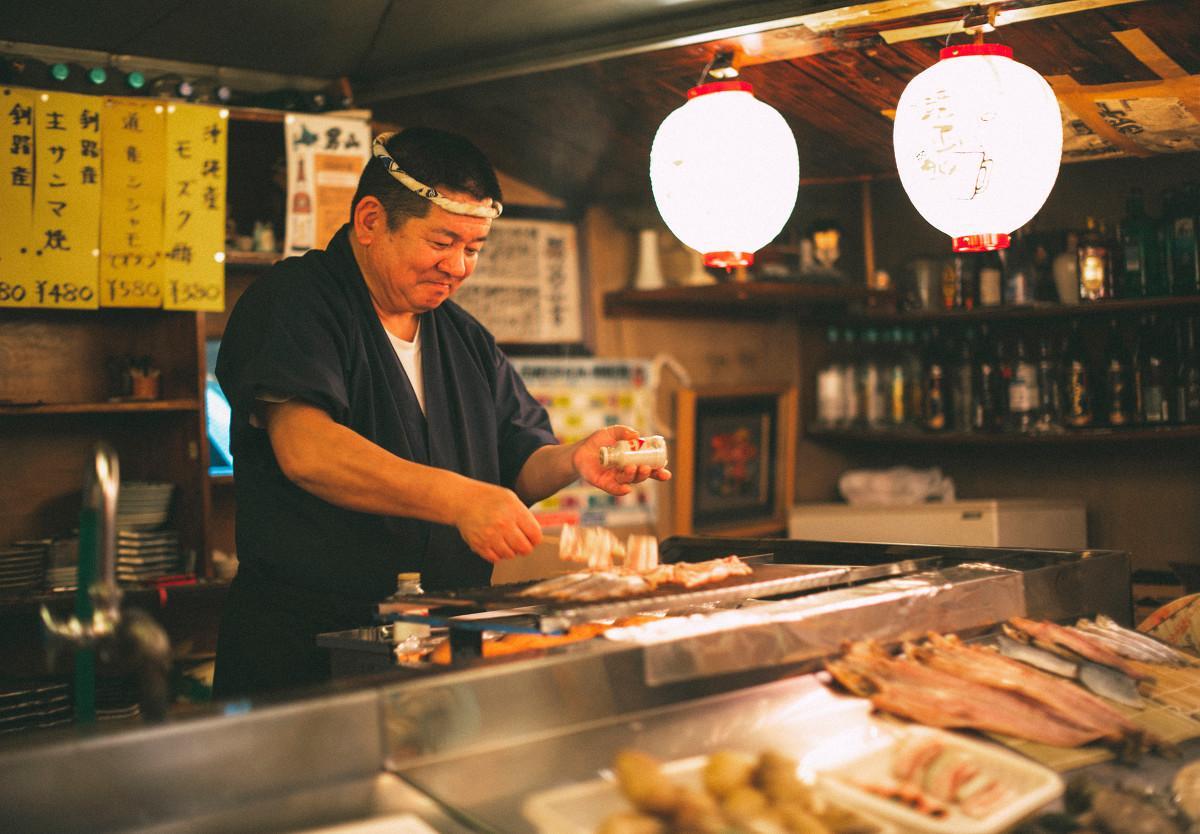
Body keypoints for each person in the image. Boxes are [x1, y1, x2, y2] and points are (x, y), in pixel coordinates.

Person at [213, 127, 669, 698]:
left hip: (440, 646)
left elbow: (518, 461)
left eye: (473, 249)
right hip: (308, 650)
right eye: (441, 242)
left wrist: (576, 460)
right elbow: (308, 451)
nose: (458, 267)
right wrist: (461, 500)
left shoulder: (462, 337)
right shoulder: (297, 299)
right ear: (371, 220)